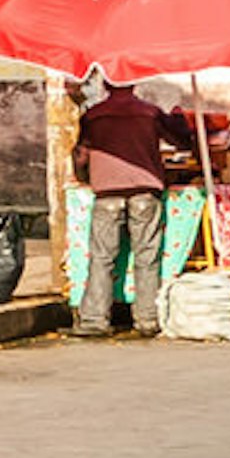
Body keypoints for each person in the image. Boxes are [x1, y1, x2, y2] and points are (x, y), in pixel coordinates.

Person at [72, 75, 172, 336]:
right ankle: (148, 319)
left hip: (107, 192)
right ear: (133, 84)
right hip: (144, 191)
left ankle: (94, 320)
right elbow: (180, 141)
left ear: (105, 85)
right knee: (147, 258)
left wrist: (85, 177)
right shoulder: (150, 113)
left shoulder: (93, 116)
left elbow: (82, 153)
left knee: (102, 257)